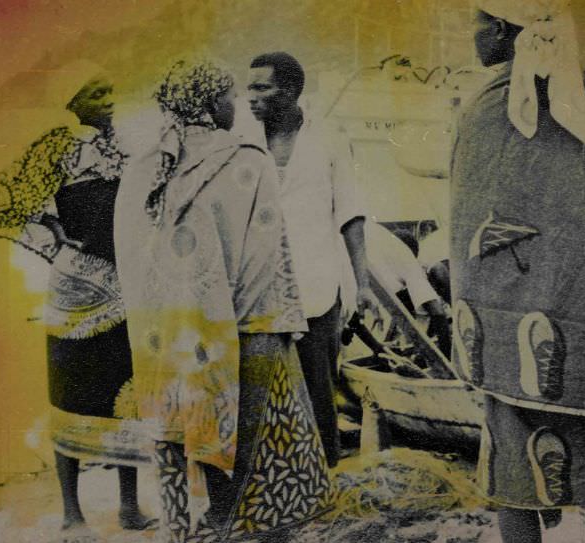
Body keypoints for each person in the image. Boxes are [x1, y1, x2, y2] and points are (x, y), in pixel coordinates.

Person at [450, 2, 585, 542]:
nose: (473, 36)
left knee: (515, 467)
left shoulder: (484, 112)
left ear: (501, 29)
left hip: (505, 333)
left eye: (477, 24)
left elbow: (467, 227)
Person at [114, 59, 334, 543]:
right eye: (229, 97)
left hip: (166, 338)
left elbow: (130, 259)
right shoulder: (246, 161)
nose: (236, 106)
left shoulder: (145, 166)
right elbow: (267, 258)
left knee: (184, 432)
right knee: (259, 457)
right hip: (248, 327)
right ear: (210, 103)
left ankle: (194, 528)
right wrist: (278, 326)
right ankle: (237, 527)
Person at [0, 60, 153, 536]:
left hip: (125, 288)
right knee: (71, 397)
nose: (110, 102)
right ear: (72, 102)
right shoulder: (56, 147)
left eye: (111, 91)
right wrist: (55, 236)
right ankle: (72, 514)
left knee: (126, 397)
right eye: (97, 94)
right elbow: (3, 201)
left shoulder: (125, 147)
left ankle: (128, 507)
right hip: (77, 293)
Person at [241, 51, 376, 468]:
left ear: (292, 91)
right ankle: (279, 486)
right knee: (264, 391)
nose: (251, 97)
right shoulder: (243, 143)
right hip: (259, 289)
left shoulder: (328, 138)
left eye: (262, 87)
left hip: (317, 286)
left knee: (319, 388)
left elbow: (349, 213)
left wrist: (364, 282)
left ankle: (325, 478)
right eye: (250, 87)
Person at [364, 220, 450, 356]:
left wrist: (446, 355)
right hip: (417, 312)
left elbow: (437, 312)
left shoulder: (420, 268)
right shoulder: (398, 263)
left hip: (428, 314)